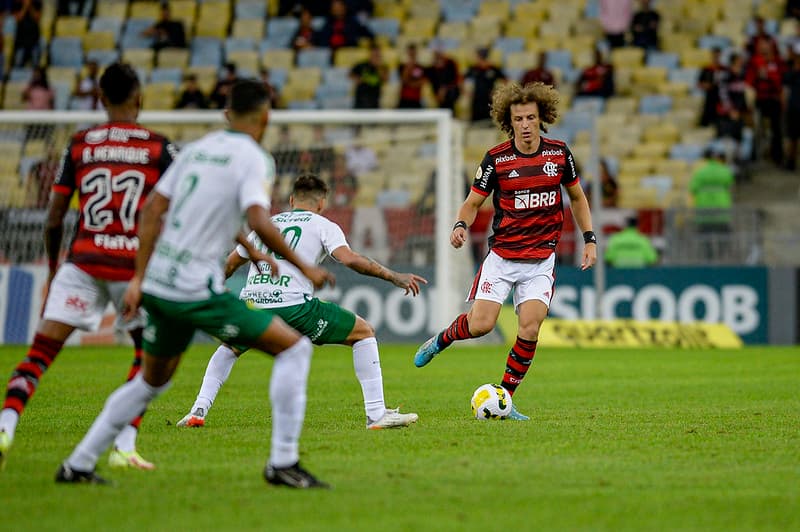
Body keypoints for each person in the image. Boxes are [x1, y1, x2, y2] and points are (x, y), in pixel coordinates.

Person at [56, 80, 336, 488]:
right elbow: (259, 220)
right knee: (294, 349)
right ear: (266, 117)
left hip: (160, 283)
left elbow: (153, 209)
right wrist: (305, 267)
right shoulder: (254, 158)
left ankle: (78, 464)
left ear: (226, 115)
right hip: (195, 290)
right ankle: (283, 462)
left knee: (151, 381)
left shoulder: (194, 151)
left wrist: (138, 275)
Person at [0, 63, 177, 472]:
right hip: (133, 268)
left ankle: (6, 424)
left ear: (100, 99)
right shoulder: (157, 147)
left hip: (81, 262)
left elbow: (54, 216)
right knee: (149, 358)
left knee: (40, 353)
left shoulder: (80, 144)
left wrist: (54, 265)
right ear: (139, 99)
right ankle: (124, 445)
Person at [175, 174, 424, 430]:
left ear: (291, 200)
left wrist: (212, 292)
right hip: (294, 307)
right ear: (322, 203)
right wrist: (393, 276)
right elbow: (349, 260)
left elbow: (230, 263)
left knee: (229, 348)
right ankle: (376, 414)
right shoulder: (322, 224)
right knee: (364, 332)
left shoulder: (267, 224)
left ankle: (198, 410)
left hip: (252, 304)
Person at [412, 82, 597, 420]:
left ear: (541, 118)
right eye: (518, 119)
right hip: (503, 258)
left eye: (530, 117)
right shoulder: (497, 159)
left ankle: (505, 398)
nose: (525, 124)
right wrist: (459, 226)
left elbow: (578, 198)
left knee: (530, 327)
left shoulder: (559, 155)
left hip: (541, 260)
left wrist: (590, 239)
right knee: (481, 325)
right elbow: (472, 203)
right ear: (508, 121)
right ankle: (442, 339)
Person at [689, 146, 735, 259]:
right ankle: (721, 258)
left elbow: (692, 189)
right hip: (722, 211)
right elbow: (730, 184)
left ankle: (709, 259)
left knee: (706, 239)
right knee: (724, 237)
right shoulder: (724, 171)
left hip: (704, 212)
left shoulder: (699, 172)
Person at [745, 39, 785, 164]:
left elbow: (781, 81)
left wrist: (768, 75)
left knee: (776, 129)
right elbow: (749, 82)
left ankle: (777, 156)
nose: (764, 49)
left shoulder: (778, 62)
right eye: (762, 47)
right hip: (760, 99)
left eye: (767, 47)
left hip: (774, 99)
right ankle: (756, 156)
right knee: (757, 128)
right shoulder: (755, 62)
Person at [465, 47, 506, 123]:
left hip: (489, 98)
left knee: (489, 121)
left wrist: (497, 91)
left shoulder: (493, 69)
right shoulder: (474, 68)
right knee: (476, 121)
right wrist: (467, 91)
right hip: (476, 98)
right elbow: (463, 79)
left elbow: (505, 80)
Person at [349, 45, 388, 109]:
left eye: (377, 54)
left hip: (374, 97)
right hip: (361, 97)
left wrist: (379, 67)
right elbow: (350, 75)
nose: (376, 56)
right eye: (374, 54)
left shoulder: (383, 67)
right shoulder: (362, 65)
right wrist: (358, 79)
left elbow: (385, 79)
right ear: (370, 54)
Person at [11, 0, 42, 68]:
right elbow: (18, 18)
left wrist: (30, 6)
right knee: (17, 66)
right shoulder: (17, 3)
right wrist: (25, 6)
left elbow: (37, 17)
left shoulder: (37, 3)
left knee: (36, 66)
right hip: (20, 41)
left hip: (34, 40)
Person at [783, 48, 800, 169]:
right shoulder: (789, 74)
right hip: (793, 109)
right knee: (792, 137)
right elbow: (785, 92)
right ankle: (790, 161)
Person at [397, 43, 426, 109]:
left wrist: (410, 83)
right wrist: (409, 67)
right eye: (410, 53)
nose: (412, 55)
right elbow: (403, 80)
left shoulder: (420, 67)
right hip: (404, 99)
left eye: (413, 53)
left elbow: (422, 82)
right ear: (407, 53)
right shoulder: (402, 66)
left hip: (416, 99)